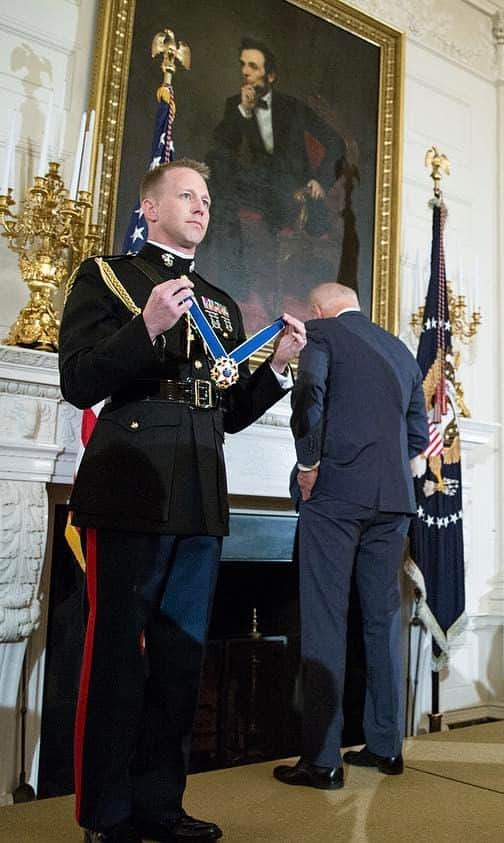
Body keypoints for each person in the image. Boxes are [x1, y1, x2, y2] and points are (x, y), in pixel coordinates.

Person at [59, 159, 307, 842]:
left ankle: (160, 804)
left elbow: (224, 409)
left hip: (199, 488)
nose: (202, 206)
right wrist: (143, 326)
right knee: (117, 658)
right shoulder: (107, 277)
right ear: (150, 205)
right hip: (130, 481)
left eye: (207, 196)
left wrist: (279, 367)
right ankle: (106, 814)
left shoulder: (220, 301)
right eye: (188, 195)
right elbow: (78, 381)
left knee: (179, 659)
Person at [273, 282, 427, 789]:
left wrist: (307, 462)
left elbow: (309, 395)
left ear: (319, 311)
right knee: (382, 621)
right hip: (395, 501)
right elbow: (417, 435)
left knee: (325, 618)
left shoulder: (321, 334)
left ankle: (323, 760)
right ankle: (386, 747)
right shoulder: (401, 350)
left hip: (336, 494)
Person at [204, 37, 345, 321]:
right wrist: (242, 112)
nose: (245, 72)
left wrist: (320, 180)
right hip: (257, 186)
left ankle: (243, 287)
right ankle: (233, 284)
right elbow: (220, 147)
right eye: (243, 65)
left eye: (253, 67)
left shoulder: (293, 108)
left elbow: (336, 143)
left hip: (294, 189)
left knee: (231, 188)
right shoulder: (236, 104)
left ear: (270, 75)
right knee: (219, 183)